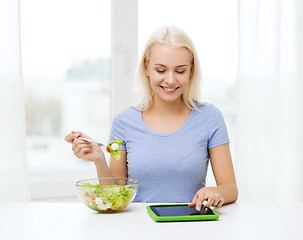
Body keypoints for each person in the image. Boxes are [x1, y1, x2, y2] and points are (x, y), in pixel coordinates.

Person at [65, 26, 238, 211]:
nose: (170, 80)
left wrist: (215, 192)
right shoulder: (124, 122)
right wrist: (99, 158)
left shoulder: (210, 118)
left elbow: (230, 189)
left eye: (180, 71)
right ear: (147, 68)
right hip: (139, 228)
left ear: (191, 71)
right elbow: (114, 194)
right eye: (161, 70)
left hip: (191, 224)